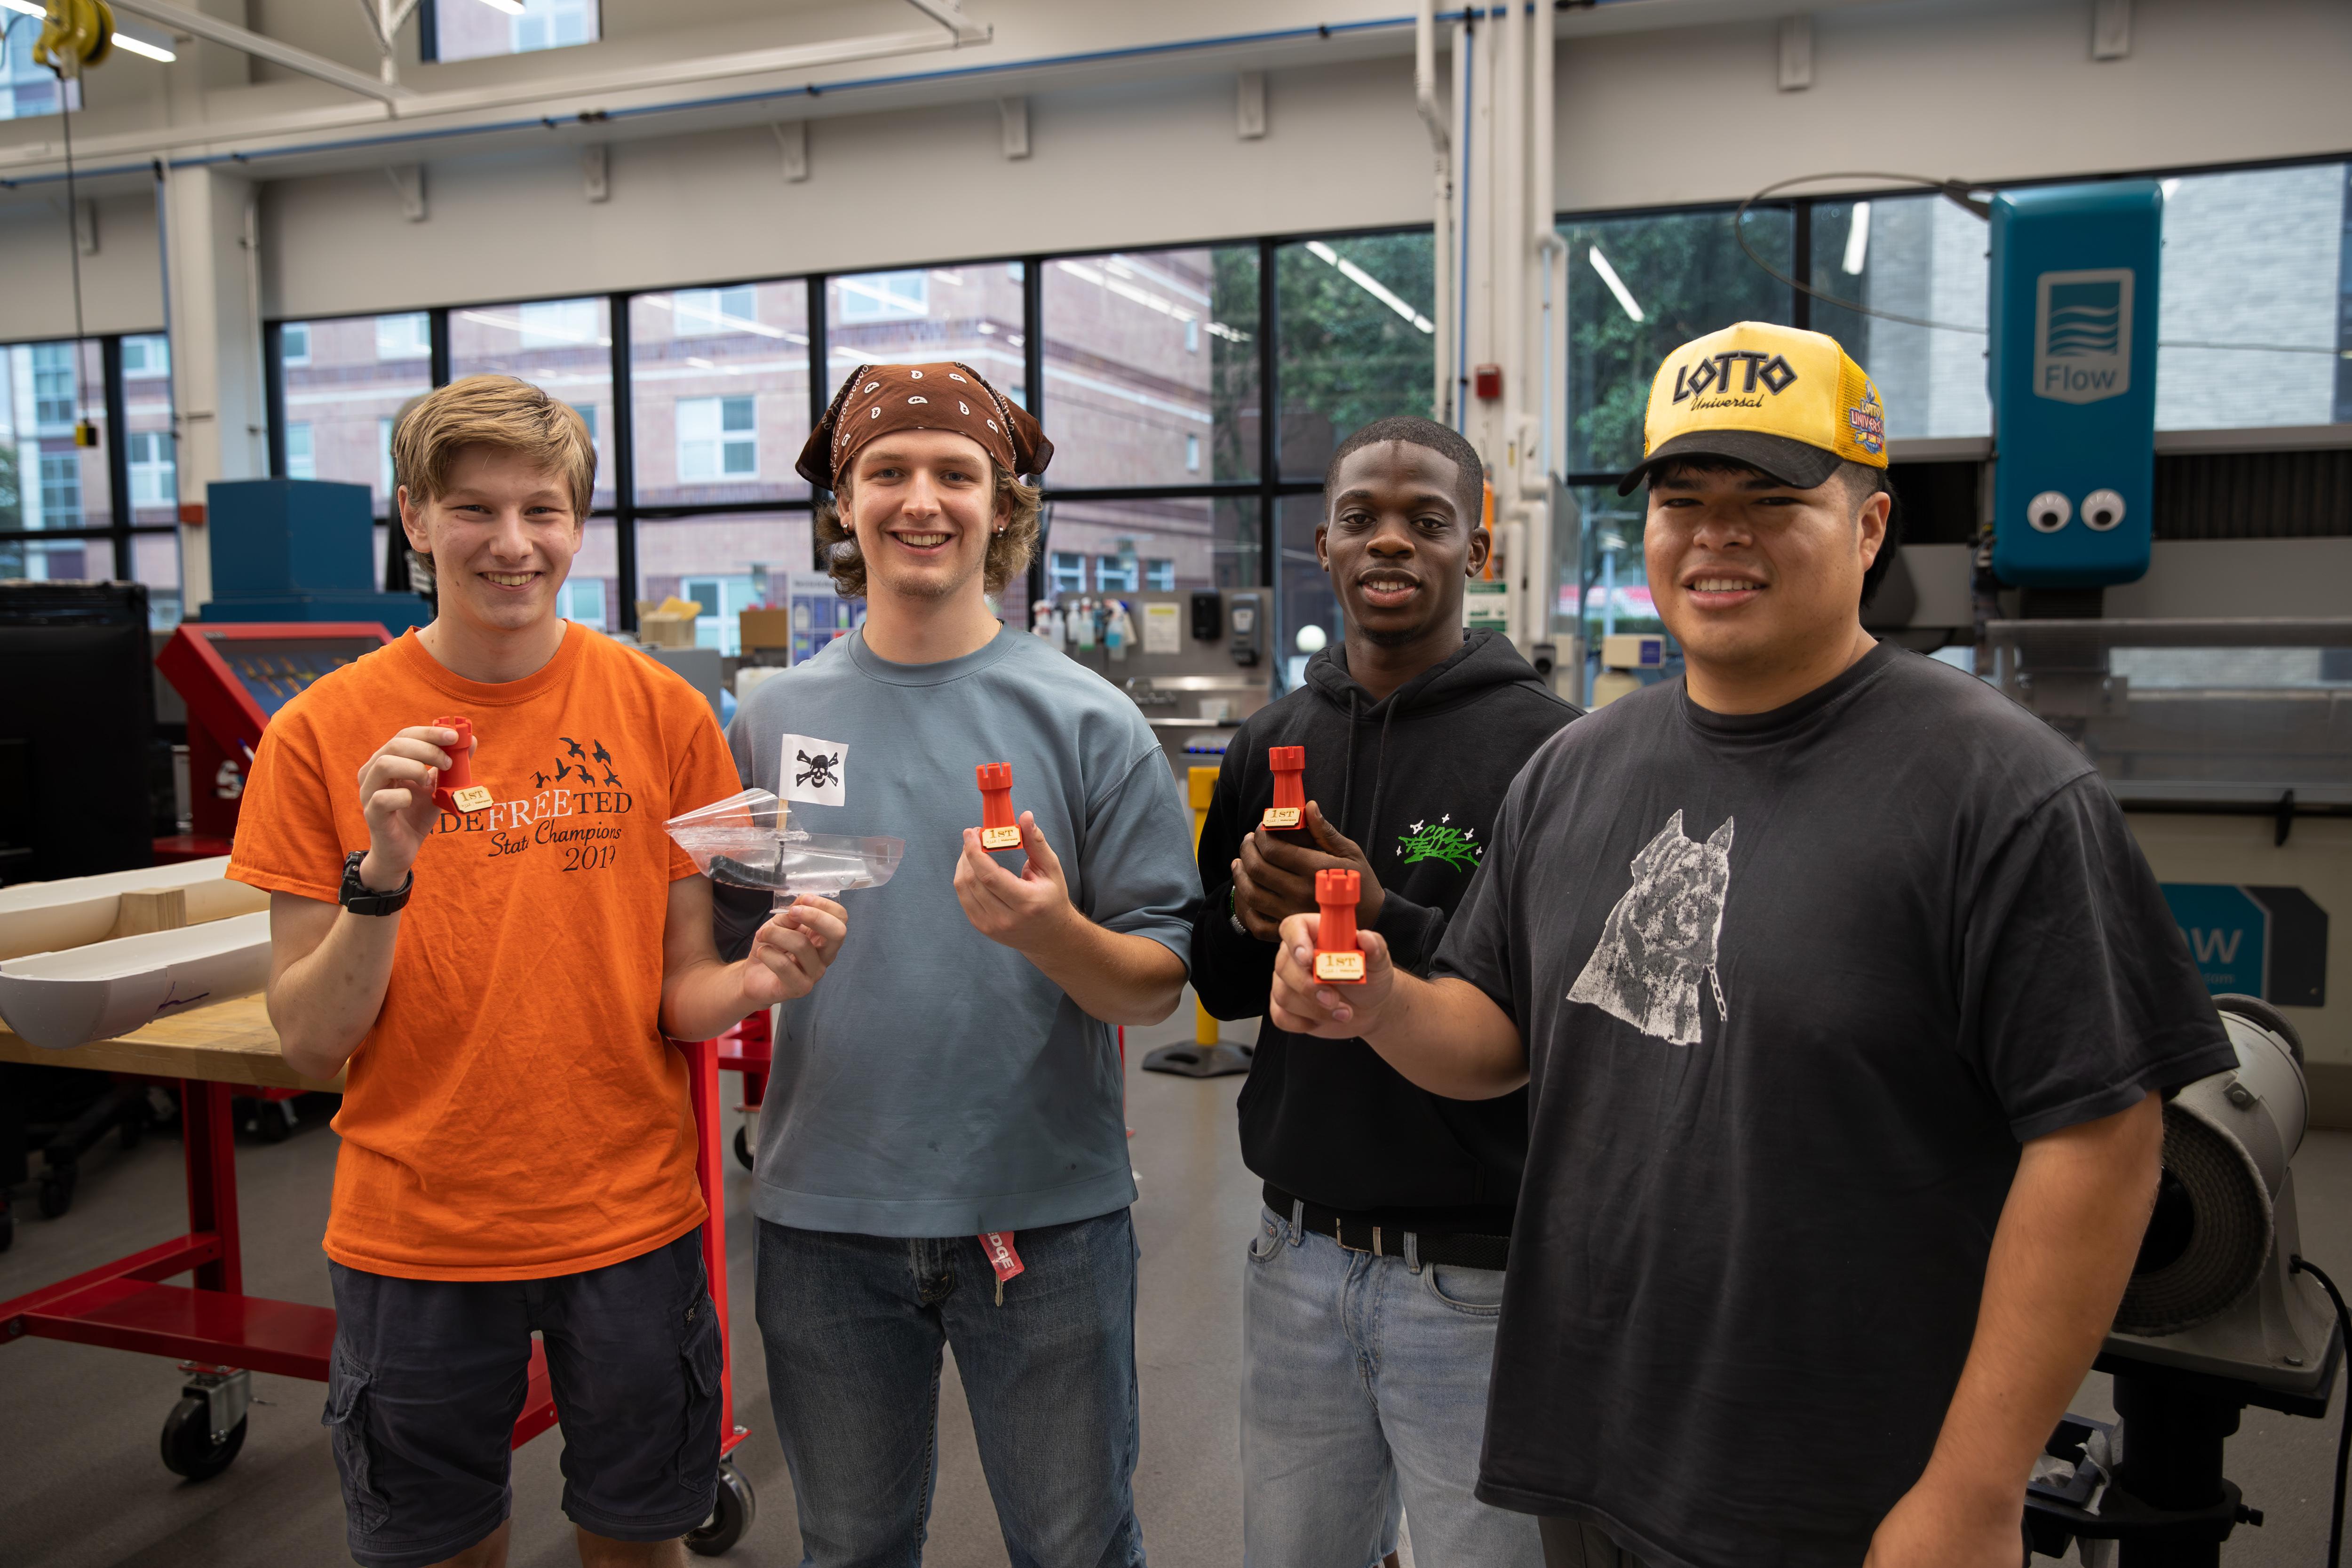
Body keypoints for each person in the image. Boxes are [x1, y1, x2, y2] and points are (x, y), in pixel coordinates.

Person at [1267, 323, 2236, 1568]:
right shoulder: (1576, 769)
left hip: (1847, 1478)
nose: (1716, 534)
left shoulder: (2000, 789)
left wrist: (1978, 1486)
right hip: (1589, 1438)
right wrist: (1386, 999)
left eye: (1771, 498)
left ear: (1870, 526)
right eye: (1684, 498)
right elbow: (1497, 1037)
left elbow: (2105, 1143)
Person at [229, 374, 846, 1568]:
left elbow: (681, 991)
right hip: (415, 1231)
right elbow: (310, 1041)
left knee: (637, 1540)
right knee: (433, 1548)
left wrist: (758, 978)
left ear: (577, 522)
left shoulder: (665, 713)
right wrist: (385, 870)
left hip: (628, 1219)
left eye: (543, 511)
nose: (512, 544)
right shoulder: (317, 735)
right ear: (414, 518)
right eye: (474, 509)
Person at [715, 362, 1200, 1568]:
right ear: (842, 501)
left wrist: (1049, 932)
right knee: (852, 1545)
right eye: (886, 470)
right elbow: (725, 947)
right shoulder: (767, 721)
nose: (919, 500)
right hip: (826, 1213)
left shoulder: (1091, 722)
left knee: (1076, 1544)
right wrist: (758, 961)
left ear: (1004, 507)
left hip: (1043, 1218)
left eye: (955, 473)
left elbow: (1155, 980)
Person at [1190, 415, 1574, 1568]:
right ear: (1325, 543)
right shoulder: (1270, 741)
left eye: (1427, 519)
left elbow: (1551, 1013)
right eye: (1362, 518)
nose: (1390, 541)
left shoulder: (1552, 755)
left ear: (1480, 548)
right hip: (1293, 1255)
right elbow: (1219, 982)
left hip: (1475, 1279)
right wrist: (1254, 921)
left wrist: (1378, 914)